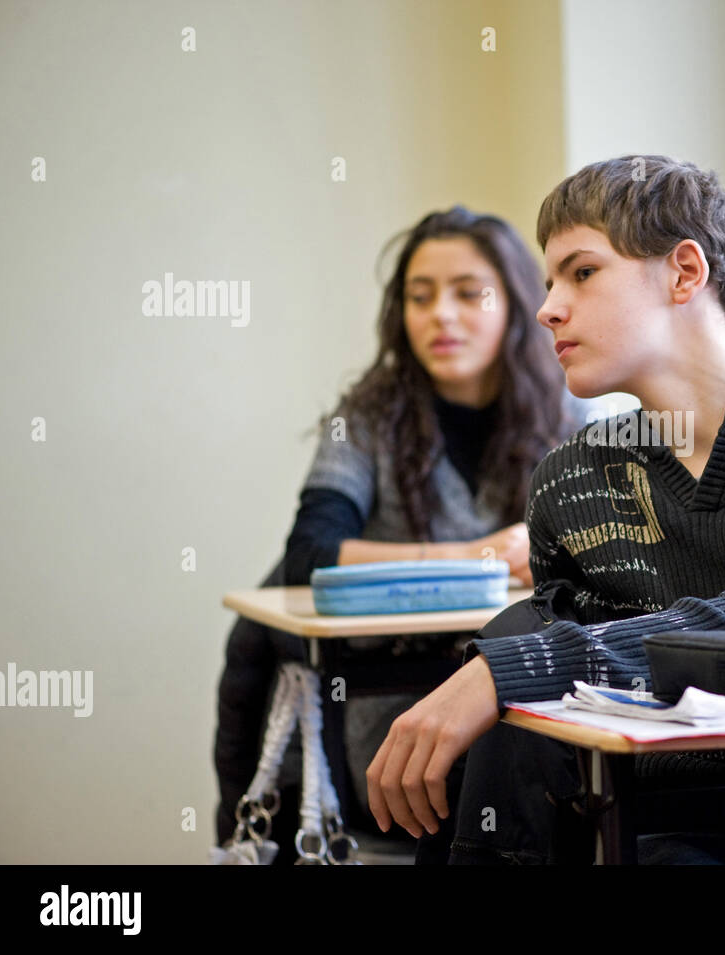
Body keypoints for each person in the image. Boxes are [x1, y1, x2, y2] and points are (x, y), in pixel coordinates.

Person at [366, 155, 725, 864]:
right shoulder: (570, 476)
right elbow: (553, 709)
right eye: (548, 282)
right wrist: (515, 663)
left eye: (582, 272)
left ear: (685, 272)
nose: (547, 308)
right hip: (627, 819)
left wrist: (506, 669)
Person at [213, 206, 587, 859]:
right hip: (388, 718)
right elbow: (308, 553)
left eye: (469, 293)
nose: (441, 314)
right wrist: (474, 556)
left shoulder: (572, 411)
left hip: (523, 700)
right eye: (420, 296)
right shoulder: (369, 419)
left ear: (520, 301)